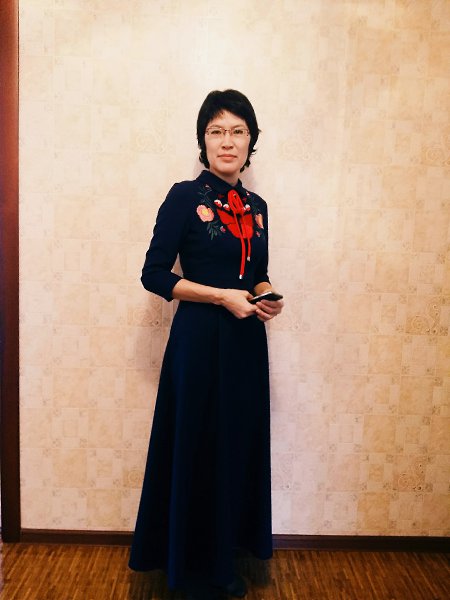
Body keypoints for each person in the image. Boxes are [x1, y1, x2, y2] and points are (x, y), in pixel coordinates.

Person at [129, 89, 284, 600]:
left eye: (238, 131)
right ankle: (191, 568)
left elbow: (257, 271)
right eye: (217, 131)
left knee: (234, 447)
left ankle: (225, 556)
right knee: (195, 446)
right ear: (203, 140)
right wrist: (220, 296)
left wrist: (266, 294)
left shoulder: (258, 207)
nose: (227, 141)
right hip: (197, 343)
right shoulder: (183, 197)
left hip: (245, 343)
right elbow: (154, 274)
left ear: (251, 141)